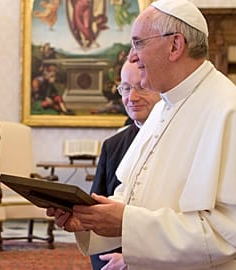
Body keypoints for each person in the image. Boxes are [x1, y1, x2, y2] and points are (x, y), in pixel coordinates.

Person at [47, 0, 236, 269]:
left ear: (175, 45)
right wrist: (91, 217)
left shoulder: (229, 112)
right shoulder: (163, 107)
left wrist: (126, 222)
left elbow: (229, 236)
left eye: (139, 43)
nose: (132, 57)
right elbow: (136, 195)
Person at [89, 60, 160, 269]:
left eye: (142, 87)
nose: (132, 98)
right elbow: (96, 212)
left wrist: (135, 260)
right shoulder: (113, 146)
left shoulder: (182, 139)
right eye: (126, 88)